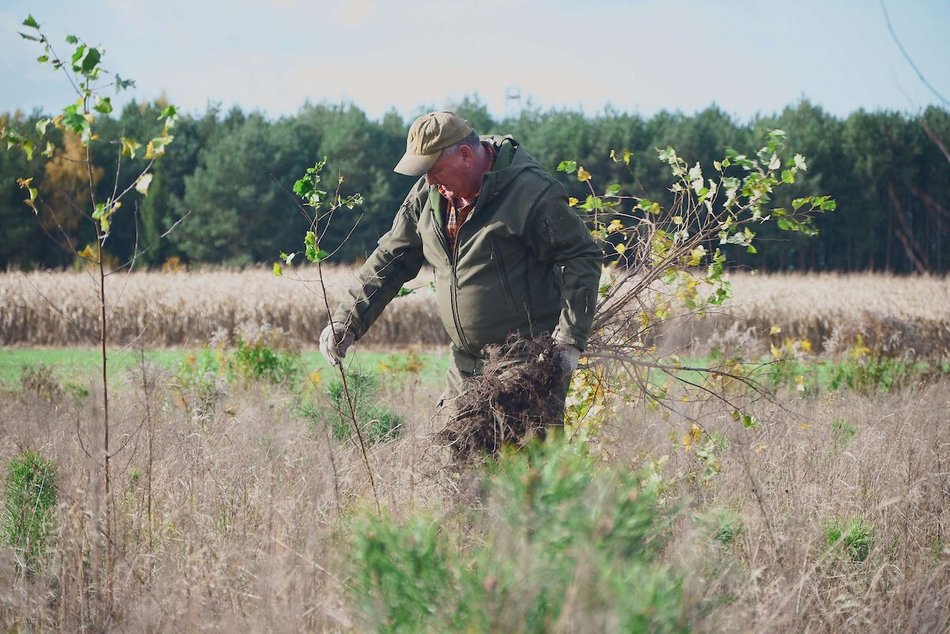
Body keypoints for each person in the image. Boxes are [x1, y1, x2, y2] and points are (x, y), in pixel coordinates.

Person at [319, 111, 602, 419]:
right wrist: (346, 321)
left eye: (434, 170)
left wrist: (569, 341)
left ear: (466, 155)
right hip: (466, 364)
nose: (429, 181)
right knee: (456, 456)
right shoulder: (428, 197)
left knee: (524, 460)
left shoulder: (530, 193)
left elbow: (581, 256)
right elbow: (391, 259)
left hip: (526, 359)